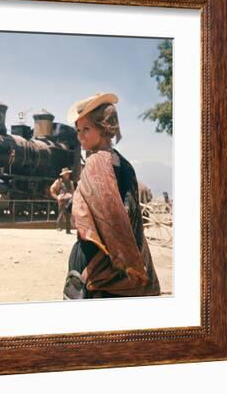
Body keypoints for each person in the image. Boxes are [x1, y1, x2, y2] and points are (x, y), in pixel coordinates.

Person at [63, 92, 160, 299]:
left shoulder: (95, 162)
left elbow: (110, 224)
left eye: (86, 129)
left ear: (104, 127)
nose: (80, 136)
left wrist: (92, 269)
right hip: (126, 265)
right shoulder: (125, 164)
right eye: (78, 130)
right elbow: (131, 219)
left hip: (94, 261)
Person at [49, 168, 74, 233]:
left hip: (69, 199)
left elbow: (73, 191)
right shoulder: (59, 181)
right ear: (63, 175)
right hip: (62, 199)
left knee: (68, 214)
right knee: (61, 213)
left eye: (68, 174)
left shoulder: (71, 182)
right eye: (66, 174)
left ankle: (68, 230)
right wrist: (56, 197)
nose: (68, 175)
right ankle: (59, 227)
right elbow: (52, 189)